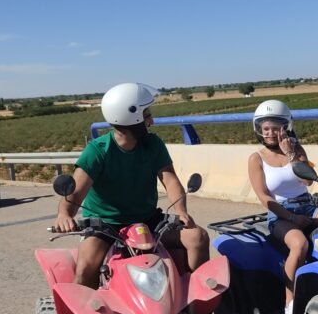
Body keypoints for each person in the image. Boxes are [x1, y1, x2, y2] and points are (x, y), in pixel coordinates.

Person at [53, 82, 209, 289]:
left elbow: (169, 178)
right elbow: (75, 193)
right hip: (106, 224)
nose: (152, 121)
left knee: (197, 237)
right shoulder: (98, 151)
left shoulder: (153, 144)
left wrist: (181, 211)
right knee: (86, 266)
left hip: (148, 220)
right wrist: (64, 215)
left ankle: (195, 307)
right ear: (132, 119)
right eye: (147, 116)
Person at [247, 99, 318, 314]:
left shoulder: (297, 149)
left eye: (275, 128)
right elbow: (264, 197)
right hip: (279, 214)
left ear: (286, 126)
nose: (269, 133)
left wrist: (291, 155)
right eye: (265, 128)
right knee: (299, 244)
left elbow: (308, 183)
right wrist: (291, 217)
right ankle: (290, 301)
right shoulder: (256, 159)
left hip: (308, 205)